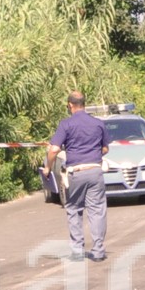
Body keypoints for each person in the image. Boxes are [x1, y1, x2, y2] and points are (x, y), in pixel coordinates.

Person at [46, 92, 110, 261]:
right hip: (95, 171)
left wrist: (48, 167)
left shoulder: (66, 124)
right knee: (97, 211)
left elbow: (54, 150)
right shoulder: (98, 123)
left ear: (70, 105)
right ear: (84, 104)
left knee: (74, 209)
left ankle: (77, 251)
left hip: (76, 172)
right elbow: (105, 149)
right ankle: (98, 251)